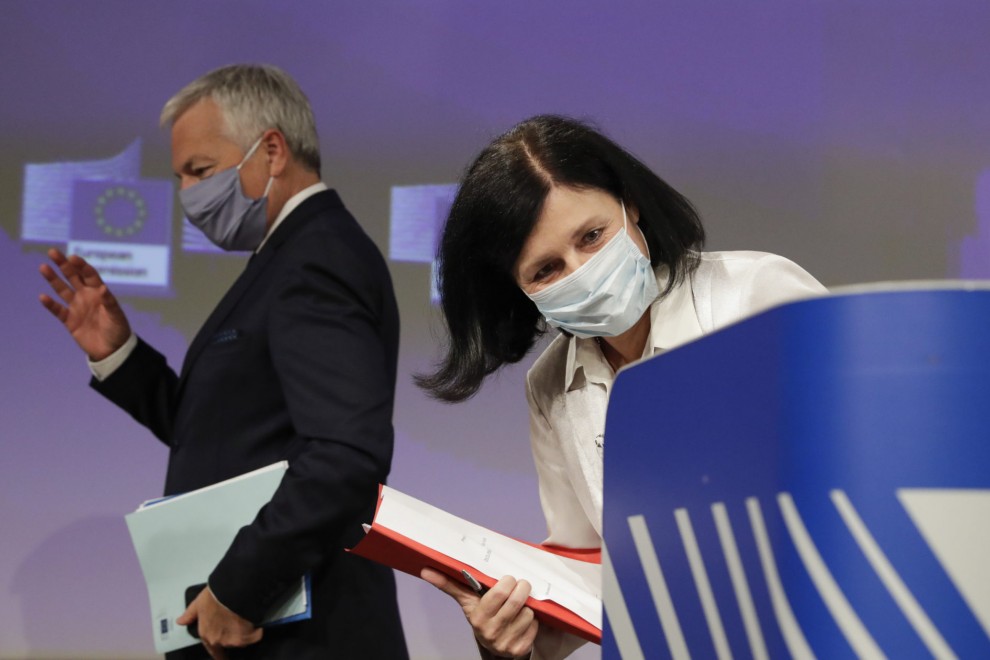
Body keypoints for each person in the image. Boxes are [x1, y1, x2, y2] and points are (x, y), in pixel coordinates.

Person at [416, 115, 827, 659]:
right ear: (518, 290)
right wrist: (518, 637)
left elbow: (872, 477)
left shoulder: (756, 297)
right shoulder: (549, 388)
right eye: (545, 270)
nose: (581, 272)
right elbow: (587, 575)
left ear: (630, 206)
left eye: (592, 237)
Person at [38, 64, 408, 659]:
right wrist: (119, 355)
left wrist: (239, 589)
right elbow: (236, 436)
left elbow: (345, 455)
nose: (187, 194)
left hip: (298, 633)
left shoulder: (316, 259)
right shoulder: (290, 256)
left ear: (271, 150)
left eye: (200, 171)